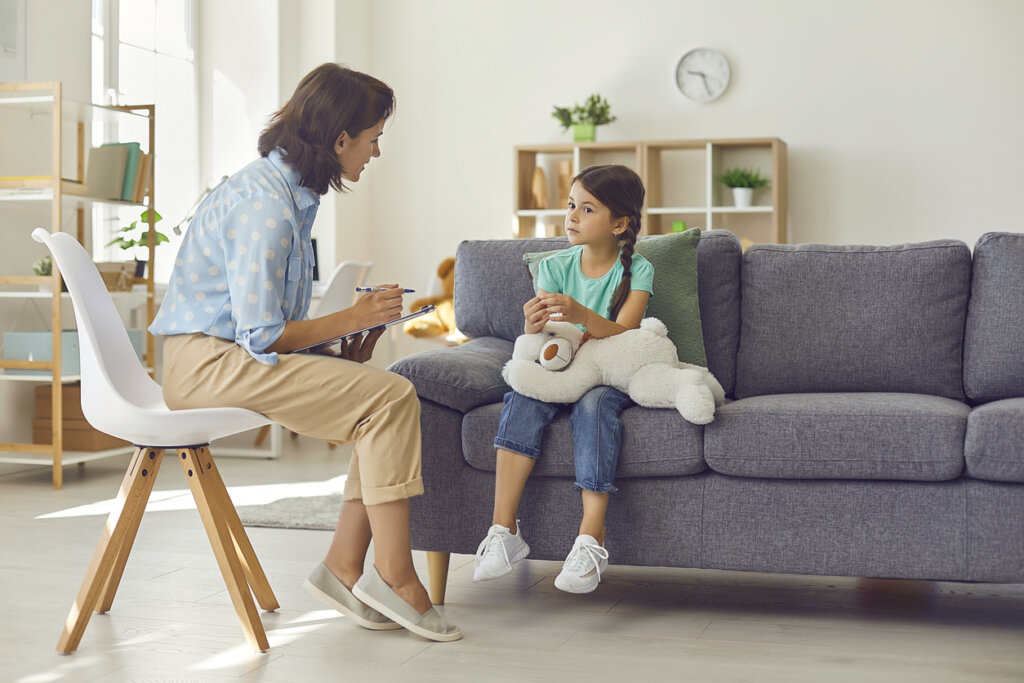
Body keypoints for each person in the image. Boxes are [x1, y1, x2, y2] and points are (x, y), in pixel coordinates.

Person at [150, 63, 460, 642]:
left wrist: (344, 343)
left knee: (380, 399)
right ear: (341, 139)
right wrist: (352, 317)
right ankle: (392, 575)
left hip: (224, 357)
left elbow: (270, 327)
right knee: (393, 396)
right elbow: (262, 335)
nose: (374, 153)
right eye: (373, 140)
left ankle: (346, 568)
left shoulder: (289, 196)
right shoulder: (264, 206)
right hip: (204, 365)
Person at [474, 164, 654, 594]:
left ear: (620, 223)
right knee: (522, 396)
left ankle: (591, 539)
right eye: (571, 205)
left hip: (608, 375)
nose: (571, 216)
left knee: (593, 408)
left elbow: (627, 333)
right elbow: (546, 340)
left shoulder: (640, 270)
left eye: (587, 208)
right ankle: (503, 531)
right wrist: (533, 325)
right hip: (561, 368)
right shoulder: (553, 267)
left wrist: (582, 315)